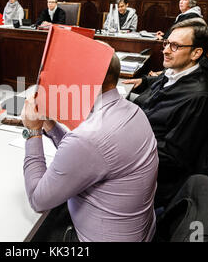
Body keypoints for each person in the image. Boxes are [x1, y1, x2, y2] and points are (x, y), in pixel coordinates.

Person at [21, 51, 159, 242]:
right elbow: (86, 157)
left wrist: (32, 131)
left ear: (87, 76)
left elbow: (38, 200)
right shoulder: (133, 110)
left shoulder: (89, 137)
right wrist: (50, 125)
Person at [124, 18, 208, 207]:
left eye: (175, 46)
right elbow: (162, 82)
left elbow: (173, 157)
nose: (166, 50)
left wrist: (121, 146)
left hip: (151, 177)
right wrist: (144, 81)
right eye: (166, 43)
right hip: (137, 145)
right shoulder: (175, 72)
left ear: (196, 53)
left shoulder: (199, 98)